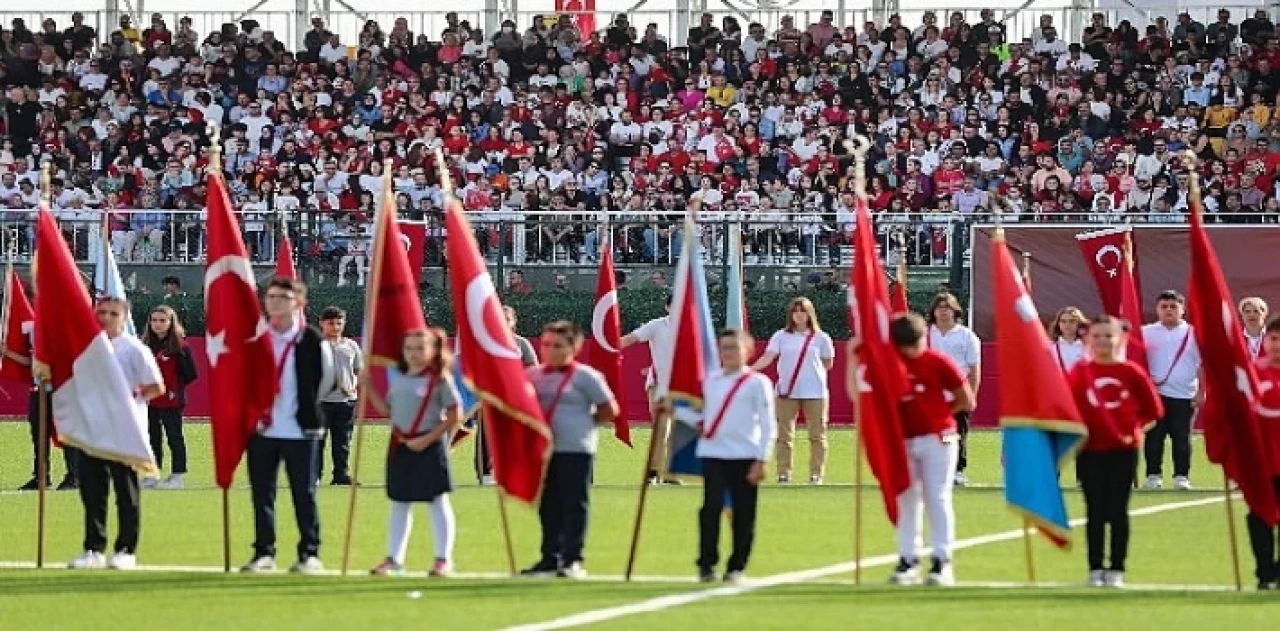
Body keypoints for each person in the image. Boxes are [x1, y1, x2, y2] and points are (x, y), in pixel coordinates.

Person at [241, 278, 336, 574]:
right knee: (262, 493)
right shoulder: (257, 342)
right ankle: (263, 553)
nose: (274, 302)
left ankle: (309, 553)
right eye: (270, 297)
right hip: (262, 431)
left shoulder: (311, 340)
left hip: (301, 430)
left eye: (282, 297)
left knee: (303, 493)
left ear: (298, 303)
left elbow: (326, 380)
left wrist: (307, 410)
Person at [68, 297, 165, 569]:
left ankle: (125, 549)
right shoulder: (87, 347)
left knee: (126, 491)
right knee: (92, 491)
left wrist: (130, 396)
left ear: (124, 318)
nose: (106, 317)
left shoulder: (134, 349)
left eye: (113, 313)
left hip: (124, 429)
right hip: (93, 430)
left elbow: (157, 386)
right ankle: (93, 548)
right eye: (101, 312)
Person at [1067, 315, 1163, 589]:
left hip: (1123, 451)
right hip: (1089, 451)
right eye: (1096, 336)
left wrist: (1133, 430)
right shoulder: (1080, 372)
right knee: (1095, 510)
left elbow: (1153, 411)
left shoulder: (1131, 372)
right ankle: (1095, 568)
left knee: (1117, 510)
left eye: (1108, 335)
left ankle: (1117, 568)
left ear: (1119, 338)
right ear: (1088, 339)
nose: (1102, 341)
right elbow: (1066, 408)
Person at [520, 321, 618, 579]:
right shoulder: (533, 376)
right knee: (548, 505)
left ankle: (573, 559)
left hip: (576, 449)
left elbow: (610, 409)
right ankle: (549, 558)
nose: (550, 350)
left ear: (574, 347)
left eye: (558, 346)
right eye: (547, 344)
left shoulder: (586, 377)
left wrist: (584, 426)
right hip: (543, 451)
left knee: (574, 504)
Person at [884, 313, 974, 586]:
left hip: (939, 438)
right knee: (907, 499)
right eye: (906, 345)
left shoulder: (937, 361)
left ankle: (941, 560)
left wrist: (940, 415)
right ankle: (908, 559)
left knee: (937, 497)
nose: (912, 350)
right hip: (903, 440)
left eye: (915, 342)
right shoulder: (891, 364)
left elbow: (966, 399)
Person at [366, 328, 462, 577]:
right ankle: (394, 558)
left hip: (429, 446)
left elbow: (455, 414)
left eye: (420, 348)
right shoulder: (400, 378)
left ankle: (443, 559)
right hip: (401, 446)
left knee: (437, 500)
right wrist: (368, 389)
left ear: (432, 351)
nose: (414, 354)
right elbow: (390, 412)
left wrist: (428, 439)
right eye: (409, 348)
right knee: (399, 501)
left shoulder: (439, 379)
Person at [694, 329, 776, 583]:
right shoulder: (710, 380)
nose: (729, 352)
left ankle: (737, 565)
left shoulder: (758, 383)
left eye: (734, 347)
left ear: (747, 351)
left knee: (743, 512)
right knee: (711, 508)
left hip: (745, 455)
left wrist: (762, 459)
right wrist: (671, 408)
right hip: (714, 454)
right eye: (724, 347)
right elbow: (700, 416)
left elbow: (767, 424)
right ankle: (706, 564)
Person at [751, 297, 834, 484]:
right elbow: (768, 356)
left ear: (809, 313)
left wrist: (810, 372)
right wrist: (750, 370)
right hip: (787, 391)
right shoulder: (781, 336)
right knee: (784, 435)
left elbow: (828, 363)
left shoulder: (821, 337)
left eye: (803, 311)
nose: (799, 315)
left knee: (817, 435)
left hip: (815, 392)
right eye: (795, 311)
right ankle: (783, 473)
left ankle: (816, 474)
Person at [6, 318, 79, 491]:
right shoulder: (33, 328)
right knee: (39, 433)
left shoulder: (67, 327)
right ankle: (40, 476)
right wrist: (7, 352)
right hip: (39, 389)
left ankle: (73, 477)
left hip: (63, 389)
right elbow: (30, 360)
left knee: (66, 433)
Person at [1141, 290, 1202, 491]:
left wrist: (1201, 392)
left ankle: (1181, 476)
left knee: (1181, 437)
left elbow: (1203, 365)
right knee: (1153, 437)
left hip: (1184, 395)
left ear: (1182, 309)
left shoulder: (1194, 333)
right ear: (1157, 309)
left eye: (1173, 306)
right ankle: (1153, 475)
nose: (1169, 310)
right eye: (1164, 306)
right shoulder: (1146, 332)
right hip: (1154, 395)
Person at [472, 305, 537, 485]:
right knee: (487, 433)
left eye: (506, 319)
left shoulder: (521, 344)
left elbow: (534, 370)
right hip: (491, 396)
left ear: (513, 322)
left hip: (515, 398)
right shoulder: (484, 343)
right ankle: (486, 473)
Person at [621, 295, 680, 485]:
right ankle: (653, 473)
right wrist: (607, 344)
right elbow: (632, 338)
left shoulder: (693, 328)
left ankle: (671, 474)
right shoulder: (657, 325)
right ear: (667, 307)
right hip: (659, 385)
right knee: (661, 429)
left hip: (683, 388)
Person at [925, 293, 981, 486]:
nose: (943, 312)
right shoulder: (925, 334)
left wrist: (971, 395)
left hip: (958, 393)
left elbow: (974, 368)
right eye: (939, 308)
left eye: (947, 308)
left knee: (958, 432)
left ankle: (957, 470)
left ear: (955, 310)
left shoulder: (967, 336)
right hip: (931, 394)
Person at [139, 305, 198, 490]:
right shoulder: (145, 345)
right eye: (154, 320)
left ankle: (177, 476)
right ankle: (152, 475)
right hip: (150, 401)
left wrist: (174, 389)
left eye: (162, 320)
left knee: (174, 437)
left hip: (172, 402)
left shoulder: (180, 346)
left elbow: (191, 373)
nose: (157, 324)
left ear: (171, 322)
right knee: (151, 437)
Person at [1250, 316, 1280, 590]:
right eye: (1274, 339)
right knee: (1259, 516)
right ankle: (1264, 572)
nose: (1278, 346)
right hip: (1259, 462)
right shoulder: (1250, 374)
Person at [317, 306, 362, 486]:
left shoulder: (351, 345)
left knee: (343, 441)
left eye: (339, 323)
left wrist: (353, 387)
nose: (335, 327)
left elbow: (358, 370)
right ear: (322, 324)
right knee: (317, 441)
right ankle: (315, 476)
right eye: (330, 323)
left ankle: (341, 475)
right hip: (320, 402)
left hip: (345, 401)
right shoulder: (316, 344)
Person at [1049, 307, 1088, 373]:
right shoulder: (1050, 347)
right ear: (1058, 324)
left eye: (1072, 321)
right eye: (1063, 321)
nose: (1067, 325)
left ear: (1079, 323)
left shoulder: (1088, 347)